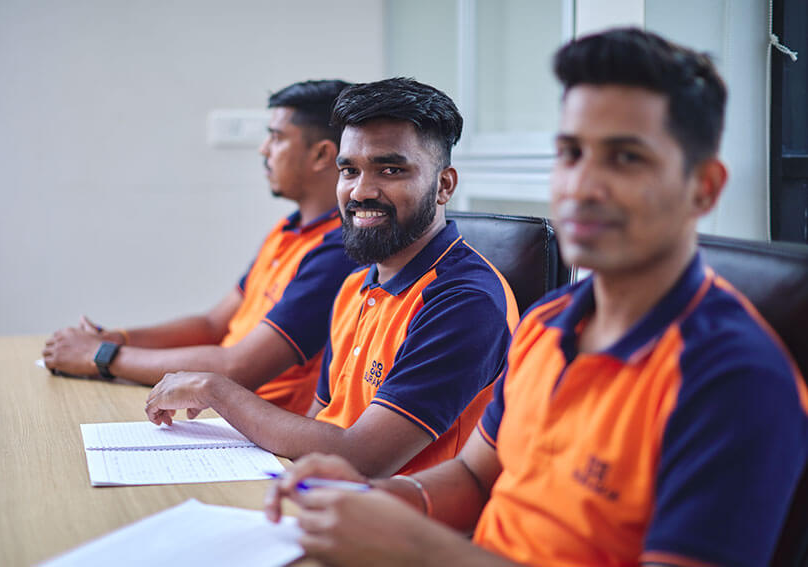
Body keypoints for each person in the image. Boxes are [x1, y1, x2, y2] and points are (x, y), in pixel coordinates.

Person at [264, 29, 808, 567]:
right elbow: (475, 477)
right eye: (571, 153)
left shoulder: (734, 378)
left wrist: (421, 548)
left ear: (704, 189)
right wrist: (373, 499)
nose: (582, 185)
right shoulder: (548, 322)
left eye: (625, 159)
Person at [144, 77, 519, 477]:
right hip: (321, 500)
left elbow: (362, 457)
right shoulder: (355, 286)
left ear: (444, 185)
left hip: (395, 526)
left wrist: (216, 389)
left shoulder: (464, 301)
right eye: (349, 170)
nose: (360, 191)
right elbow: (318, 423)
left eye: (390, 169)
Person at [42, 79, 358, 415]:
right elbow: (212, 325)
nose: (263, 149)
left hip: (260, 429)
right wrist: (117, 339)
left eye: (276, 137)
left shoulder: (337, 250)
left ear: (322, 154)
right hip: (214, 409)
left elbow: (239, 367)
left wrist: (100, 357)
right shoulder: (288, 230)